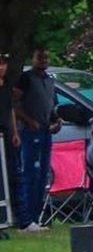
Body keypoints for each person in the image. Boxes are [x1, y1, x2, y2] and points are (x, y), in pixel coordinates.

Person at [13, 47, 59, 233]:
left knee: (42, 176)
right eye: (40, 57)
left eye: (46, 57)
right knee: (29, 174)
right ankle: (26, 219)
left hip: (46, 131)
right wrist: (28, 120)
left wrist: (57, 121)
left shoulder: (50, 80)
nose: (43, 60)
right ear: (33, 59)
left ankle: (36, 217)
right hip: (29, 132)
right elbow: (14, 104)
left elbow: (52, 106)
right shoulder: (25, 78)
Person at [0, 53, 20, 235]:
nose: (2, 68)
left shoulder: (6, 87)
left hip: (6, 133)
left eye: (3, 64)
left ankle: (12, 214)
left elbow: (11, 110)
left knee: (12, 171)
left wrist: (15, 132)